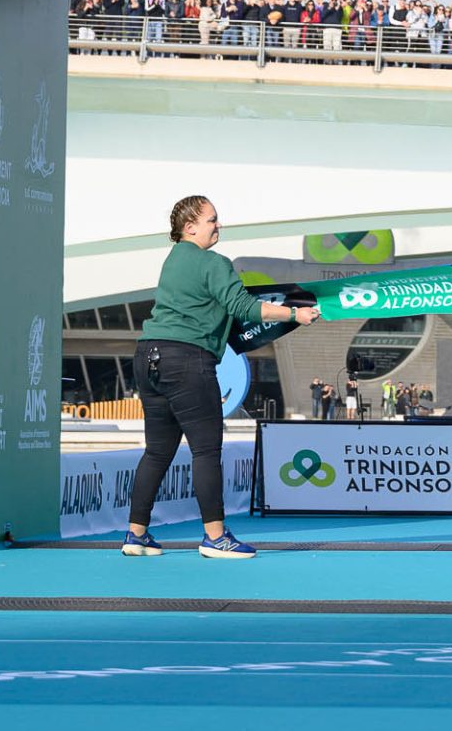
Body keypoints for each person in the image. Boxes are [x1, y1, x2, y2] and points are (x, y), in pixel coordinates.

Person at [124, 195, 317, 560]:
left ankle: (136, 535)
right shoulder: (213, 262)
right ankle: (215, 537)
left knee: (157, 452)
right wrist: (295, 314)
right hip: (187, 360)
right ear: (189, 227)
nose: (218, 225)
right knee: (206, 450)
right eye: (212, 219)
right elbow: (243, 307)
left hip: (148, 356)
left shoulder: (173, 260)